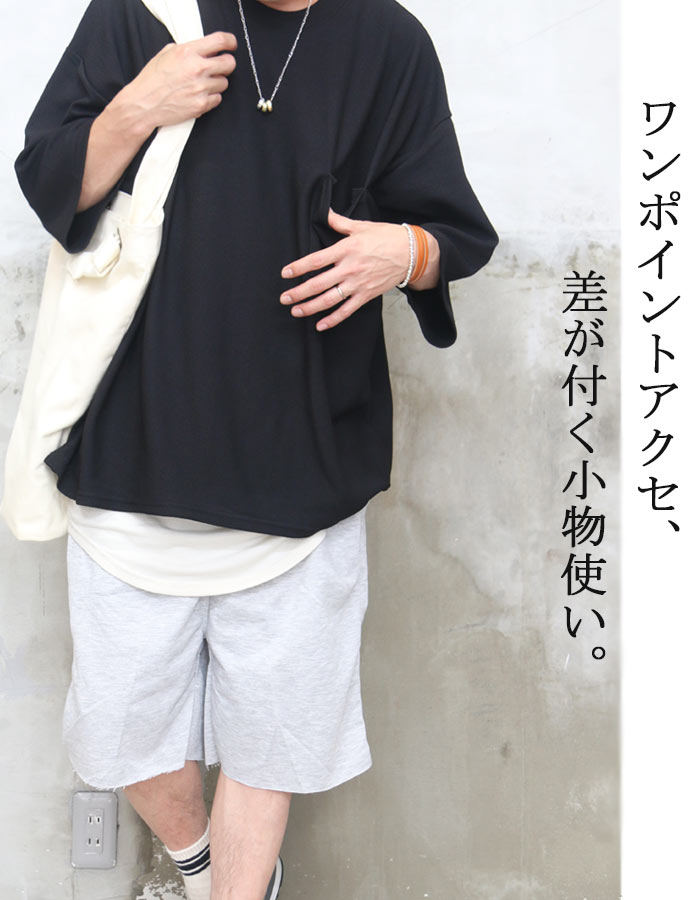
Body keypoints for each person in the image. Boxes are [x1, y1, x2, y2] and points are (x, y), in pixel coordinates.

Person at [13, 0, 498, 897]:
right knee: (123, 731)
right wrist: (140, 105)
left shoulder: (389, 42)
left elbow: (453, 235)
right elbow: (50, 180)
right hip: (135, 445)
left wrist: (405, 252)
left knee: (272, 738)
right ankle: (203, 868)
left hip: (304, 456)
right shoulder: (141, 12)